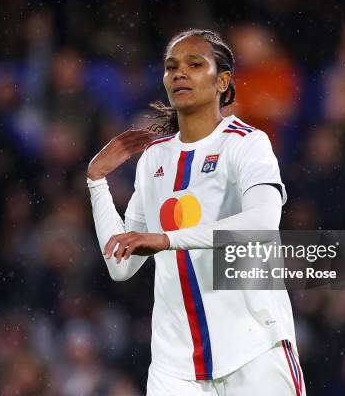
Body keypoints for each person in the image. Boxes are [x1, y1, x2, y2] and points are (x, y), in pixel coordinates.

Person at [87, 29, 305, 395]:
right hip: (176, 367)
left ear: (222, 81)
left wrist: (166, 239)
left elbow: (262, 222)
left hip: (254, 350)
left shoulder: (248, 144)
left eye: (194, 64)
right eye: (171, 66)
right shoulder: (154, 158)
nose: (179, 73)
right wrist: (96, 182)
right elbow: (120, 265)